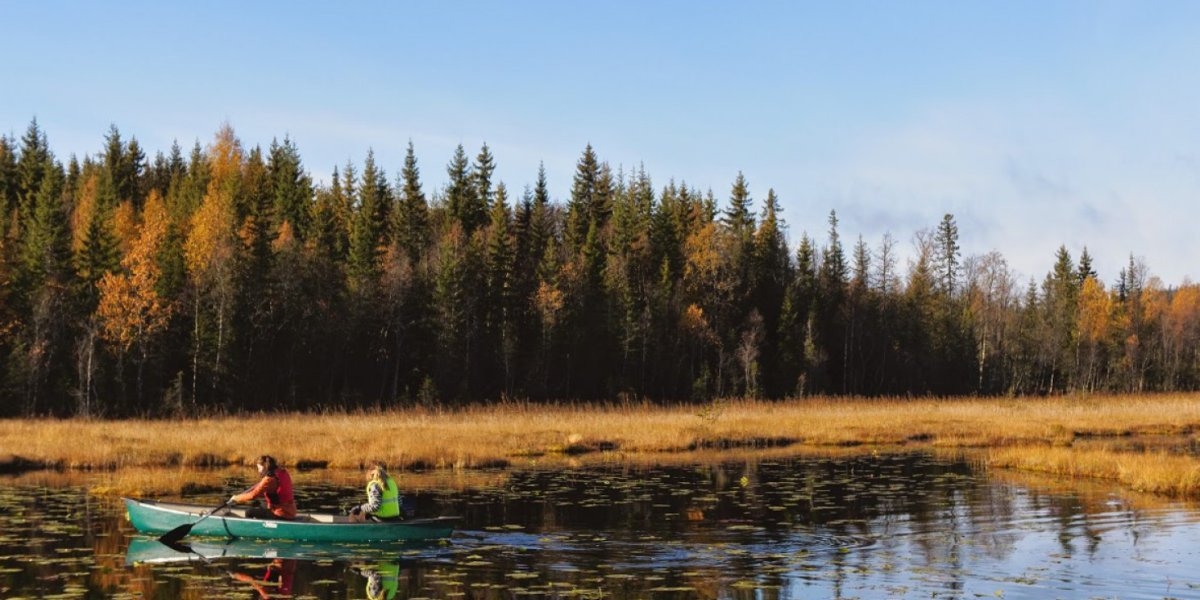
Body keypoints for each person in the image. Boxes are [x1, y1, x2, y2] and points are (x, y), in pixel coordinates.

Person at [229, 455, 297, 520]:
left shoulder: (269, 479)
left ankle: (251, 529)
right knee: (262, 504)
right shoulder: (282, 472)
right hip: (291, 511)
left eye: (259, 468)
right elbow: (267, 489)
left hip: (281, 514)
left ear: (265, 467)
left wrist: (236, 498)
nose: (258, 471)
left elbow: (253, 495)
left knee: (249, 511)